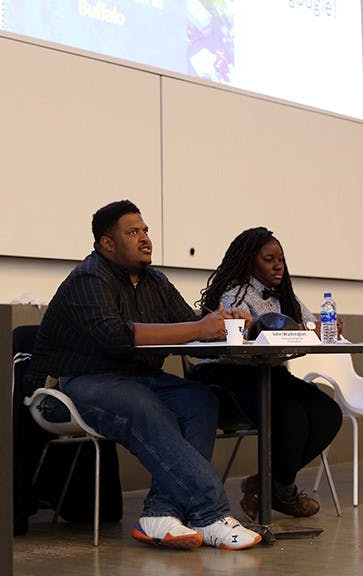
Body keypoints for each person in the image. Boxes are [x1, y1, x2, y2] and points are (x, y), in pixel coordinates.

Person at [26, 200, 261, 551]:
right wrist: (199, 327)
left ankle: (160, 514)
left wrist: (231, 329)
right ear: (107, 244)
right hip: (69, 387)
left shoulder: (156, 281)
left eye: (146, 230)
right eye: (133, 232)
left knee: (199, 400)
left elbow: (193, 334)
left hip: (134, 382)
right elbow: (115, 336)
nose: (145, 238)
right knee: (144, 406)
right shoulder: (89, 278)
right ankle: (210, 512)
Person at [194, 227, 343, 521]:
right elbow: (240, 337)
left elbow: (311, 326)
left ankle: (265, 486)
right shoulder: (234, 292)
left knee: (328, 413)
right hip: (229, 375)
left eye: (281, 259)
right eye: (269, 259)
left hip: (270, 372)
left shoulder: (284, 293)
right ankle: (283, 493)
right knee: (292, 415)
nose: (278, 266)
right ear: (251, 262)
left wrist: (331, 328)